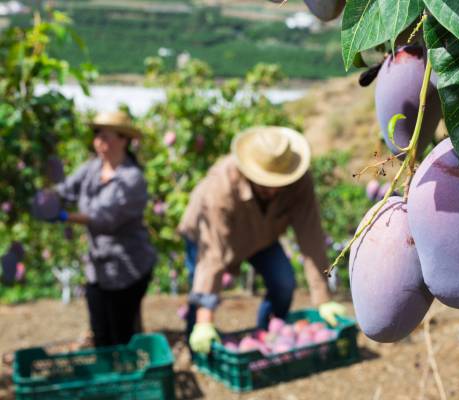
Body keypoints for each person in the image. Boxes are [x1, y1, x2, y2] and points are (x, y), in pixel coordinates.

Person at [178, 126, 346, 353]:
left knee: (284, 282)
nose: (274, 189)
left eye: (279, 182)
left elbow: (311, 235)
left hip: (261, 236)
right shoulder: (222, 186)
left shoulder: (298, 181)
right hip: (207, 238)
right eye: (266, 182)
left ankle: (268, 339)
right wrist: (205, 321)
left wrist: (322, 297)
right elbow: (212, 254)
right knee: (199, 296)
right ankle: (197, 348)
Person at [52, 110, 157, 347]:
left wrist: (63, 215)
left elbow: (103, 218)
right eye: (97, 134)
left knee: (121, 333)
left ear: (123, 140)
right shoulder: (92, 168)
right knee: (100, 331)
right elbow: (67, 189)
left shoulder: (132, 179)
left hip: (128, 266)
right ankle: (110, 376)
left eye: (106, 135)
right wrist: (47, 199)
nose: (100, 140)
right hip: (99, 266)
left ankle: (126, 378)